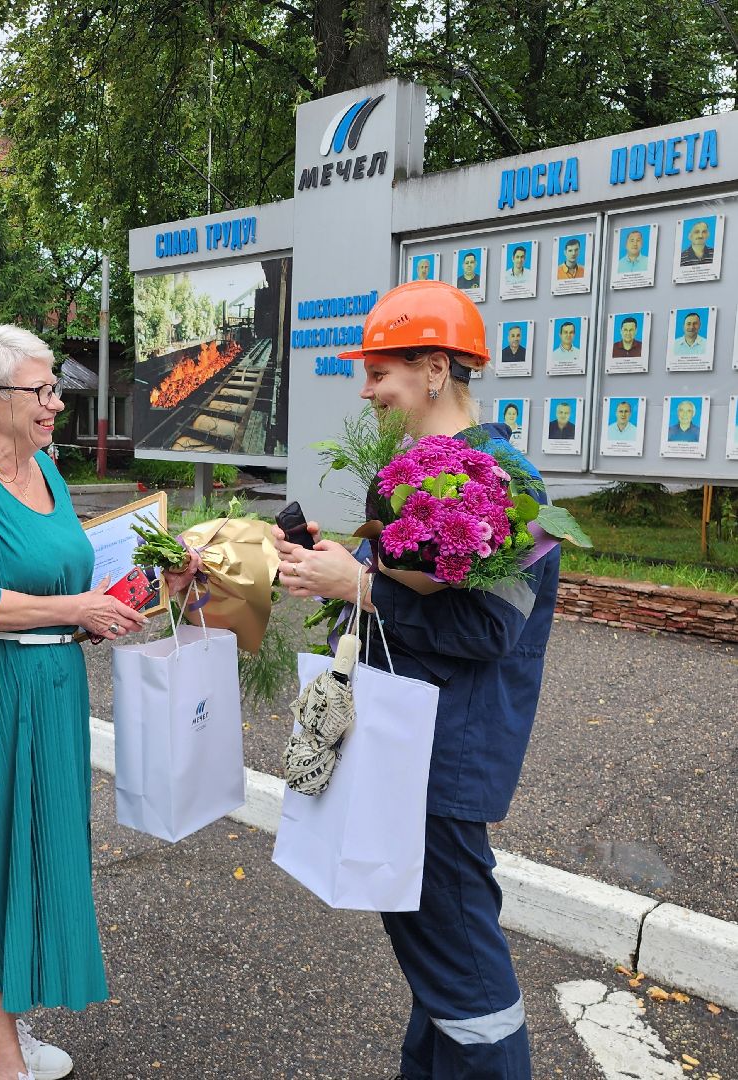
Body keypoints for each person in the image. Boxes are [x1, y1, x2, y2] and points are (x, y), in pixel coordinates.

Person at [273, 280, 559, 1080]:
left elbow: (488, 630)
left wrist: (364, 587)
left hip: (440, 764)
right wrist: (336, 569)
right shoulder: (418, 474)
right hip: (412, 751)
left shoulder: (507, 485)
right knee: (439, 966)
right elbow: (406, 600)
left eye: (379, 374)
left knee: (466, 980)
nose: (366, 392)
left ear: (436, 369)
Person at [0, 324, 195, 1080]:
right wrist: (77, 609)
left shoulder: (46, 470)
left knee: (31, 850)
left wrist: (143, 593)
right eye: (41, 390)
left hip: (52, 686)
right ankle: (5, 1059)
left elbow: (71, 584)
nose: (57, 403)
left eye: (53, 389)